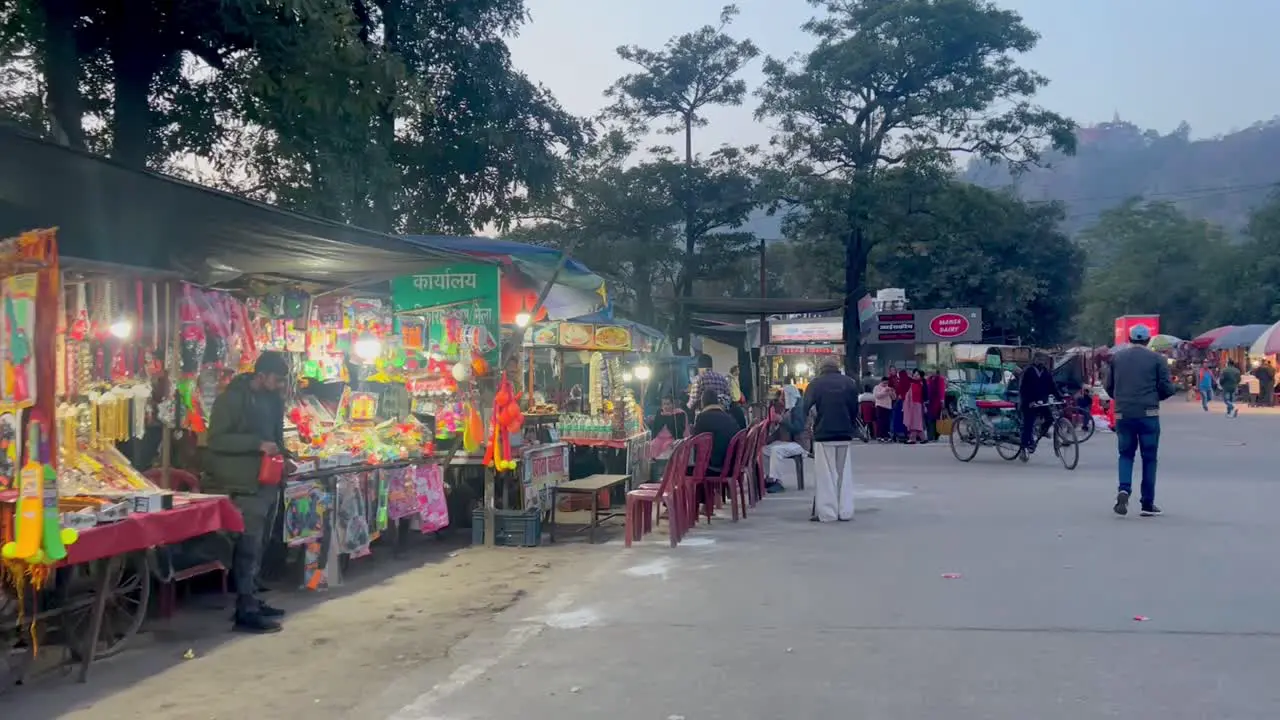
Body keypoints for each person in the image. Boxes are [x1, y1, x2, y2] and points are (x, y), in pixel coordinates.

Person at [206, 351, 292, 634]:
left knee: (261, 545)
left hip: (268, 481)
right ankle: (245, 609)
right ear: (261, 375)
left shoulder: (273, 400)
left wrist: (286, 457)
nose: (281, 385)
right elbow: (216, 440)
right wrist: (256, 444)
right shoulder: (231, 399)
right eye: (277, 379)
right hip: (243, 483)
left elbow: (275, 438)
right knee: (248, 547)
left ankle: (253, 598)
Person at [1106, 325, 1177, 517]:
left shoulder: (1117, 358)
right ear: (1148, 340)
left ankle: (1124, 489)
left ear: (1129, 338)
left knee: (1126, 454)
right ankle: (1147, 504)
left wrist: (1122, 399)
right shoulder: (1157, 359)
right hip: (1149, 414)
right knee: (1149, 458)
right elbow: (1167, 388)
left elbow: (1108, 386)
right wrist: (1156, 398)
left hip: (1123, 413)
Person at [802, 357, 860, 522]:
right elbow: (855, 409)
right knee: (844, 474)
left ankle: (827, 513)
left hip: (823, 434)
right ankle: (845, 511)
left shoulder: (816, 384)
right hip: (844, 434)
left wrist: (805, 428)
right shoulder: (849, 383)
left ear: (821, 369)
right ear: (837, 368)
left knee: (825, 475)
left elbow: (805, 407)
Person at [1018, 353, 1057, 454]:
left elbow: (1052, 387)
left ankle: (1042, 431)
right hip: (1029, 403)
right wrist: (1029, 401)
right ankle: (1025, 445)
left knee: (1050, 418)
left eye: (1043, 360)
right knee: (1028, 425)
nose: (1041, 361)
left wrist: (1061, 396)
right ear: (1034, 359)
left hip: (1042, 402)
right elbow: (1023, 389)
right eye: (1039, 359)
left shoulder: (1046, 372)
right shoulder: (1028, 371)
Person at [902, 369, 928, 444]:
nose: (915, 376)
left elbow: (916, 395)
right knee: (915, 422)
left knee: (914, 422)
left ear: (921, 376)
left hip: (916, 404)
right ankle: (922, 438)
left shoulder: (919, 384)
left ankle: (913, 438)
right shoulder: (914, 383)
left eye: (917, 375)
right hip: (913, 404)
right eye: (914, 374)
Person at [872, 376, 895, 442]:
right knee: (880, 421)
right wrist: (885, 391)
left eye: (887, 383)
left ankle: (886, 435)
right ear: (881, 382)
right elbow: (877, 396)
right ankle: (880, 435)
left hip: (888, 407)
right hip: (880, 406)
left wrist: (892, 392)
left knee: (887, 422)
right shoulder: (877, 387)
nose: (885, 384)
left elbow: (893, 398)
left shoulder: (889, 388)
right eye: (884, 383)